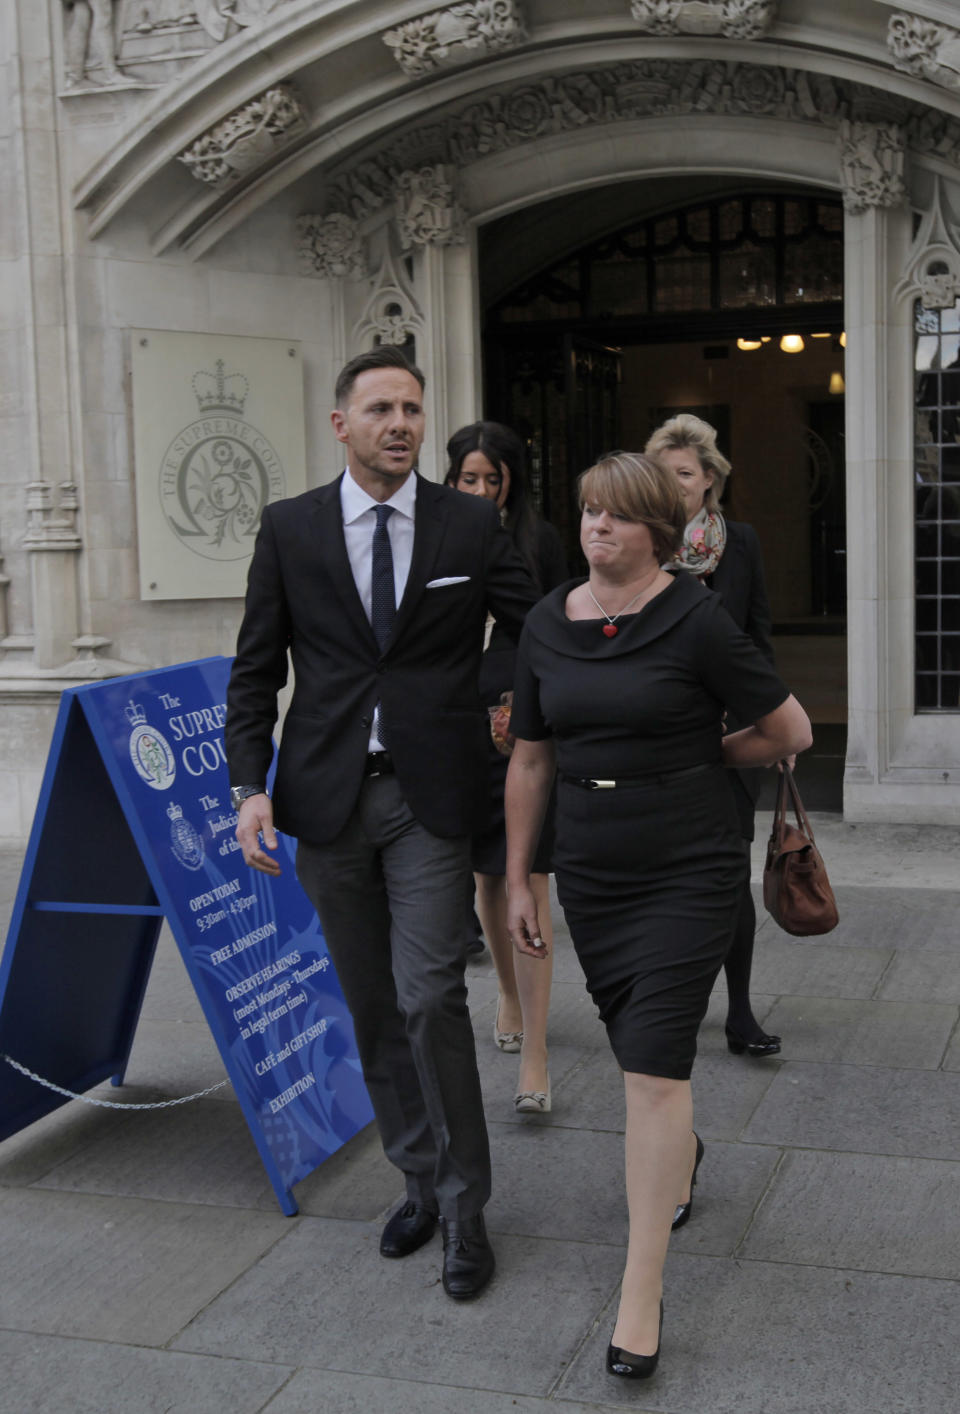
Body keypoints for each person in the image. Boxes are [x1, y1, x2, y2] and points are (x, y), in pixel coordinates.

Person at [225, 346, 538, 1301]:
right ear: (341, 425)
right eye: (381, 409)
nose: (401, 423)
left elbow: (533, 625)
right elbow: (254, 671)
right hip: (324, 800)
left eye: (412, 407)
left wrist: (492, 695)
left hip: (429, 795)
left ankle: (465, 1204)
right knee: (370, 1007)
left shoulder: (467, 523)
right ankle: (416, 1181)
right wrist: (249, 787)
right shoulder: (290, 529)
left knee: (430, 994)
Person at [504, 452, 810, 1378]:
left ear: (657, 534)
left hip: (687, 863)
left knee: (651, 1069)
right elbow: (529, 760)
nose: (596, 527)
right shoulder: (546, 624)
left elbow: (789, 731)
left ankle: (641, 1291)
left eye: (618, 516)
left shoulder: (695, 617)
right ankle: (680, 1155)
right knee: (643, 1050)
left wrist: (711, 755)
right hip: (593, 865)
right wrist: (521, 877)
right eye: (589, 512)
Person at [646, 413, 783, 1057]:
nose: (673, 488)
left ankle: (741, 1013)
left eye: (684, 475)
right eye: (662, 476)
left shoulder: (744, 544)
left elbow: (758, 642)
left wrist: (772, 727)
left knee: (730, 875)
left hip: (730, 736)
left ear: (708, 482)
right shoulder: (637, 547)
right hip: (656, 740)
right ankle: (672, 996)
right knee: (667, 873)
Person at [445, 421, 567, 1113]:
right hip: (463, 727)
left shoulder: (539, 540)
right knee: (487, 876)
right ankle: (509, 997)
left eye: (495, 478)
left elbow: (553, 628)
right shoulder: (436, 538)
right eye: (470, 478)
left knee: (533, 877)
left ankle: (539, 1059)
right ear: (453, 477)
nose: (484, 490)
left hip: (525, 728)